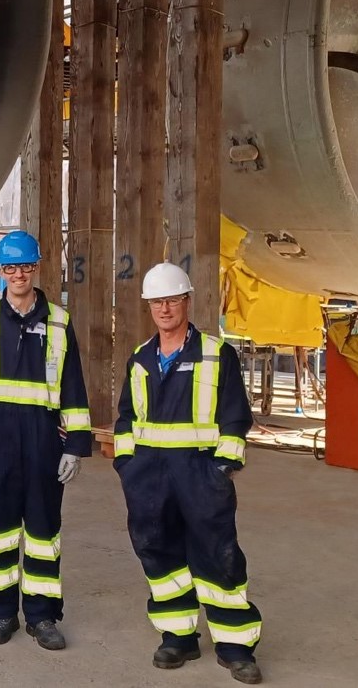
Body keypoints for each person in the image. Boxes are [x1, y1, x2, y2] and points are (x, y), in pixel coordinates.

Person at [113, 262, 263, 685]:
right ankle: (178, 636)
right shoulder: (141, 360)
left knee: (217, 555)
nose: (164, 308)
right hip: (149, 479)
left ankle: (236, 647)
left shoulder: (217, 354)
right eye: (156, 301)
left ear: (186, 301)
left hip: (200, 474)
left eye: (171, 299)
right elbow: (126, 419)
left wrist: (222, 468)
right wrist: (128, 466)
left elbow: (236, 418)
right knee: (159, 556)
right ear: (149, 307)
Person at [0, 230, 91, 651]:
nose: (17, 274)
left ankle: (42, 615)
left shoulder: (60, 322)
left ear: (37, 268)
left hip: (43, 440)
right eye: (9, 267)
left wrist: (75, 445)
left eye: (24, 266)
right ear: (0, 270)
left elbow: (73, 386)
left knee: (44, 530)